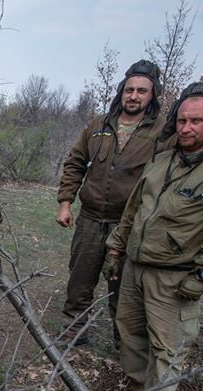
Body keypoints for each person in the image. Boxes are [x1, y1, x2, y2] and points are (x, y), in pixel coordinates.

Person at [103, 81, 203, 391]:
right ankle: (135, 389)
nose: (187, 128)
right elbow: (134, 209)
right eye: (183, 120)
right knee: (130, 331)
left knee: (167, 345)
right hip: (136, 265)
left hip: (175, 275)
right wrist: (115, 249)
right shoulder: (164, 159)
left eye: (197, 121)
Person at [56, 60, 167, 347]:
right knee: (79, 280)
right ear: (121, 92)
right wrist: (66, 202)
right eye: (129, 89)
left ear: (152, 95)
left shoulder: (162, 132)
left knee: (123, 288)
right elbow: (75, 163)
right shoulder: (98, 125)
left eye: (142, 91)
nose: (134, 96)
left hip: (129, 225)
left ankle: (126, 345)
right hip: (90, 220)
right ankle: (73, 335)